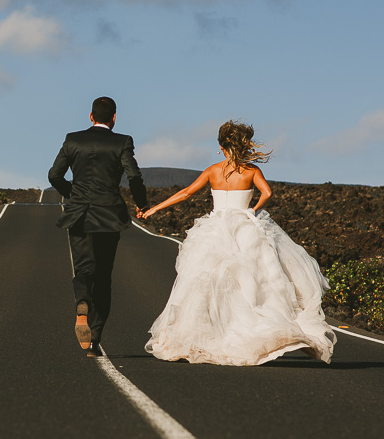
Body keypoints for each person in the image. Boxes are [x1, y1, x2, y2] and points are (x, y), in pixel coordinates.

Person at [137, 121, 335, 365]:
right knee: (255, 284)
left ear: (221, 147)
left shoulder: (213, 170)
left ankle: (211, 336)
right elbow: (268, 193)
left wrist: (154, 208)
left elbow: (187, 193)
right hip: (245, 227)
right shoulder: (251, 171)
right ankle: (252, 334)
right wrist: (252, 210)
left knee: (207, 284)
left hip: (215, 229)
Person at [49, 96, 148, 357]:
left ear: (91, 116)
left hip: (79, 214)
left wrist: (74, 194)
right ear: (114, 118)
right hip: (109, 215)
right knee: (103, 276)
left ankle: (82, 299)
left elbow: (54, 175)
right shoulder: (122, 141)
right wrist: (141, 204)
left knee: (84, 267)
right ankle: (94, 342)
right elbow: (134, 175)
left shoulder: (73, 139)